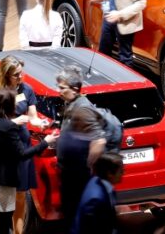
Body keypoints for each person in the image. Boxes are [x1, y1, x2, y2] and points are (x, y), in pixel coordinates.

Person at [0, 88, 48, 234]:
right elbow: (22, 154)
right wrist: (45, 143)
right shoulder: (9, 126)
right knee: (5, 221)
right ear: (9, 106)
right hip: (4, 180)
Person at [54, 66, 107, 223]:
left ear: (75, 89)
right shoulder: (72, 103)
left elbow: (99, 140)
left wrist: (88, 167)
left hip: (79, 178)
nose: (58, 91)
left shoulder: (83, 107)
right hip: (70, 175)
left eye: (62, 88)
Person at [71, 153, 123, 234]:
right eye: (121, 171)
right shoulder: (96, 200)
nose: (123, 174)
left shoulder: (97, 181)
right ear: (109, 173)